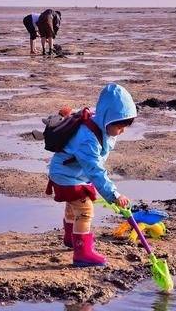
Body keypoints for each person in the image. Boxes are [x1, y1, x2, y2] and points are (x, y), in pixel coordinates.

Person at [47, 83, 136, 267]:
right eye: (120, 127)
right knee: (85, 210)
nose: (122, 131)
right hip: (66, 177)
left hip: (69, 173)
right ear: (107, 120)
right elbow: (95, 170)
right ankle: (82, 253)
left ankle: (71, 238)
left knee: (73, 207)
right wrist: (114, 195)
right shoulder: (88, 140)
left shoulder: (99, 121)